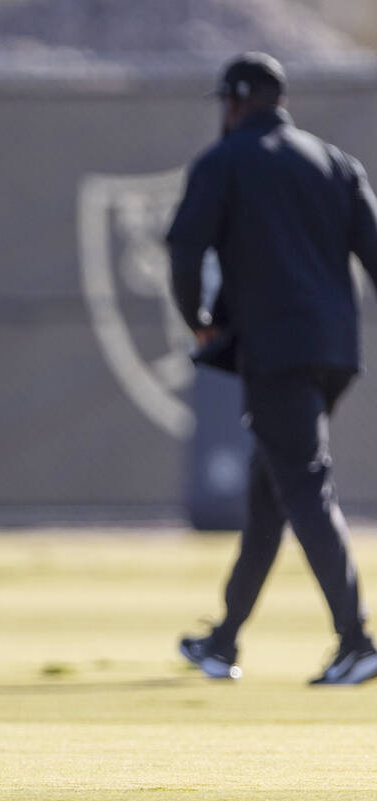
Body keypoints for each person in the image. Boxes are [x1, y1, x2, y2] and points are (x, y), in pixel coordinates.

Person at [168, 52, 377, 686]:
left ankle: (356, 642)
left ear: (235, 102)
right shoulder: (336, 163)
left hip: (277, 354)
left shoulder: (225, 160)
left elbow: (184, 248)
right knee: (271, 494)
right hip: (336, 354)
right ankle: (224, 641)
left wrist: (197, 316)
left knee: (305, 487)